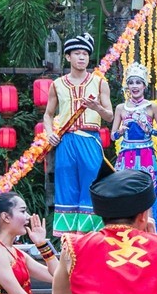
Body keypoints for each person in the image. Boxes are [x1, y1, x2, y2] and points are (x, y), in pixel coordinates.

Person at [43, 32, 113, 235]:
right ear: (68, 56)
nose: (82, 57)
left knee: (91, 185)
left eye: (85, 54)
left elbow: (109, 116)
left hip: (89, 139)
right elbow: (48, 115)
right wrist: (49, 133)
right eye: (77, 53)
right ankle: (68, 241)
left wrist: (97, 107)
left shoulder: (99, 83)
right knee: (66, 186)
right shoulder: (57, 84)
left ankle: (89, 237)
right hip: (66, 140)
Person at [113, 62, 157, 189]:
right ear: (127, 86)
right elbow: (112, 136)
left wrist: (150, 130)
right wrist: (120, 132)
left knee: (145, 191)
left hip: (145, 154)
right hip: (126, 154)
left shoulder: (152, 106)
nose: (134, 86)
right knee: (125, 190)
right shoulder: (121, 108)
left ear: (144, 85)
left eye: (138, 82)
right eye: (131, 83)